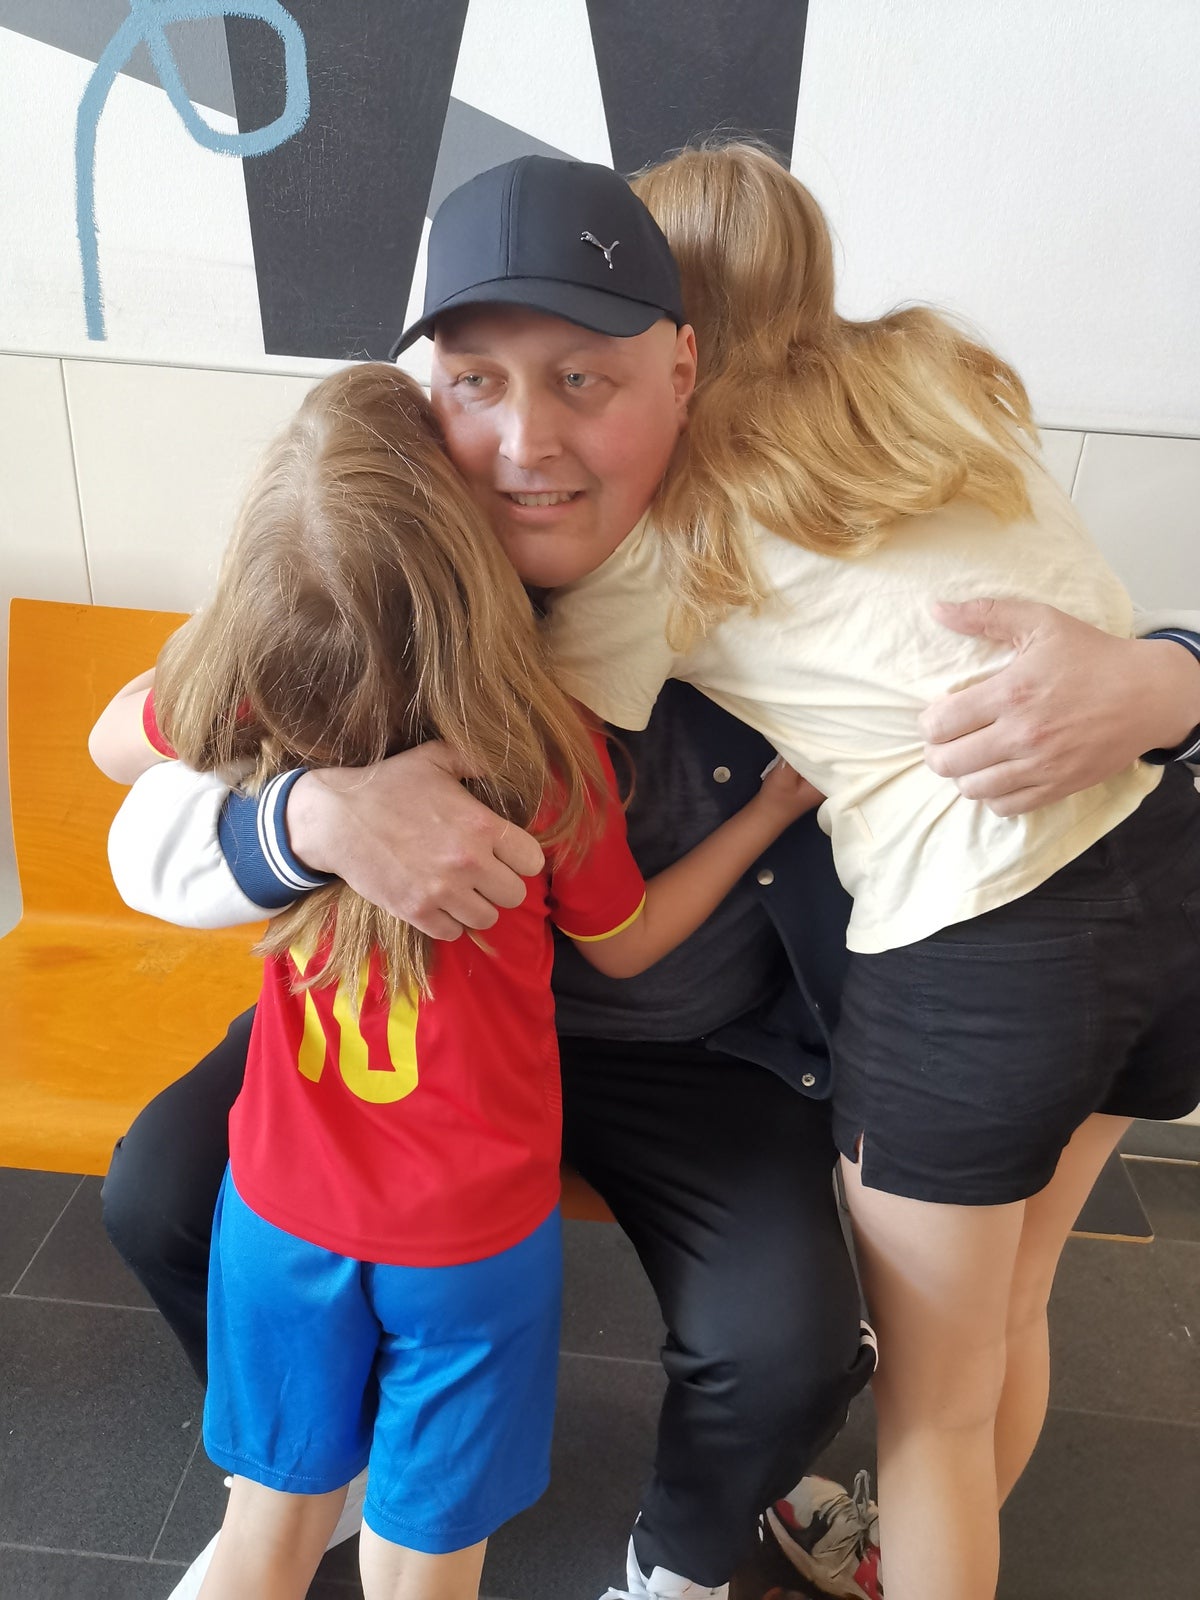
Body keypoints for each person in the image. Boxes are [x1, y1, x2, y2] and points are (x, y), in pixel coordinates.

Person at [97, 155, 1200, 1600]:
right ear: (430, 392)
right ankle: (313, 1455)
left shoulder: (790, 519)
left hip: (706, 1054)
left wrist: (1170, 678)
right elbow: (147, 775)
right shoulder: (399, 555)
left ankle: (678, 1563)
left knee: (792, 1342)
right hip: (412, 1017)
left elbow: (1043, 636)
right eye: (477, 384)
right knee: (162, 1187)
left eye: (583, 382)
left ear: (689, 370)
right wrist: (315, 815)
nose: (523, 440)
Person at [537, 141, 1200, 1600]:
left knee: (933, 1412)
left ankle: (922, 1552)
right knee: (1017, 1306)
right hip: (1167, 870)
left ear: (672, 328)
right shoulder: (945, 375)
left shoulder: (671, 521)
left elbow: (534, 695)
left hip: (983, 958)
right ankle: (896, 1560)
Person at [91, 359, 825, 1600]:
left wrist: (237, 685)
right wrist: (763, 817)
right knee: (423, 1556)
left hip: (277, 1210)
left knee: (264, 1529)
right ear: (476, 559)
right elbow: (630, 945)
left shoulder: (259, 698)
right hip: (469, 1236)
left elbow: (120, 738)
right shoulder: (550, 750)